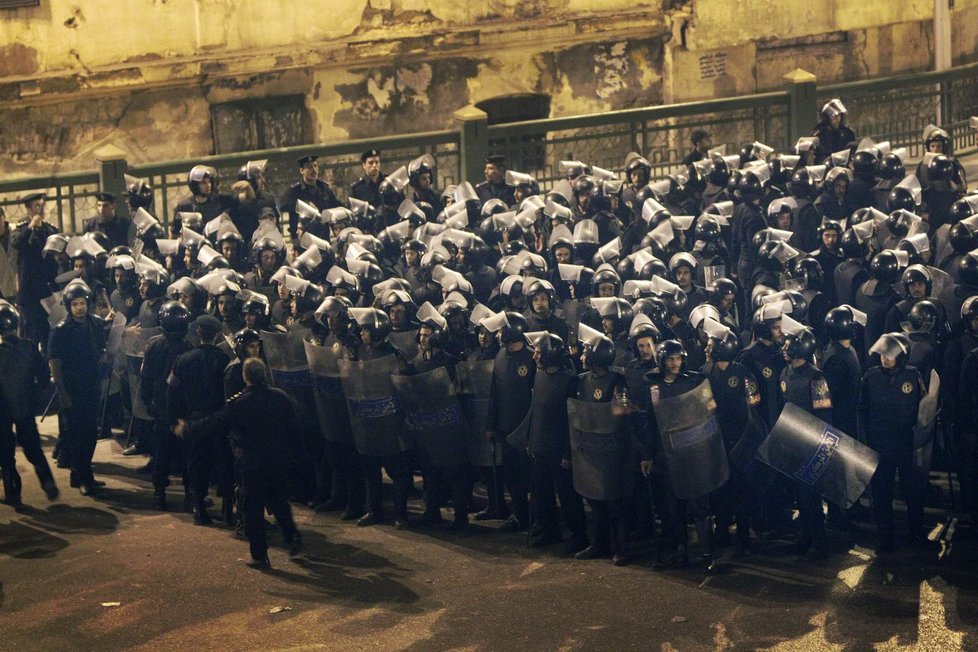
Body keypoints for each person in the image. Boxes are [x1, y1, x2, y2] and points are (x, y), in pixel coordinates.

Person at [219, 358, 303, 569]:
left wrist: (188, 428)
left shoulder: (239, 403)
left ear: (245, 377)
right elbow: (294, 428)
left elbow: (218, 423)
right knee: (279, 501)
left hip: (252, 463)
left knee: (253, 508)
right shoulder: (280, 397)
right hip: (277, 459)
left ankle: (259, 555)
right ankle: (291, 535)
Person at [860, 333, 926, 554]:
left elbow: (925, 407)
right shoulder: (871, 377)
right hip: (880, 445)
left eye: (889, 354)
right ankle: (886, 538)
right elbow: (863, 410)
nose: (884, 358)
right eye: (882, 354)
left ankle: (916, 533)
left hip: (906, 444)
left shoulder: (913, 375)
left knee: (913, 491)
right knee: (881, 493)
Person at [167, 314, 233, 524]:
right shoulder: (225, 360)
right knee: (223, 464)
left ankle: (198, 508)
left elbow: (172, 391)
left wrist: (174, 419)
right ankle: (228, 510)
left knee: (196, 464)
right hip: (218, 420)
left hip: (192, 420)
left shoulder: (183, 360)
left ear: (198, 333)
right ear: (217, 335)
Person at [48, 279, 110, 495]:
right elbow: (55, 363)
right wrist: (62, 392)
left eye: (82, 303)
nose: (79, 307)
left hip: (91, 384)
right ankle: (82, 476)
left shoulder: (95, 323)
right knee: (76, 434)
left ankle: (82, 474)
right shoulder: (61, 330)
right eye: (75, 304)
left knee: (91, 432)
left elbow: (101, 348)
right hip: (72, 388)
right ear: (68, 305)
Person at [778, 316, 832, 558]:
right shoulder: (785, 372)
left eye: (788, 344)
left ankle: (819, 540)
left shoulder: (816, 376)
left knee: (812, 495)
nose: (785, 348)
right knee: (800, 494)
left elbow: (824, 413)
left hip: (811, 442)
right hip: (793, 441)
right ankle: (806, 535)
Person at [0, 301, 59, 510]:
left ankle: (12, 493)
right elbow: (44, 376)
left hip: (2, 411)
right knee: (33, 447)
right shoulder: (28, 347)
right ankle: (47, 481)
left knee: (5, 454)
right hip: (25, 407)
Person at [142, 300, 194, 512]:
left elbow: (146, 376)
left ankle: (159, 494)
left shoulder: (154, 344)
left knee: (161, 453)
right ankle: (190, 495)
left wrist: (147, 400)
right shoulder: (187, 347)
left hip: (161, 406)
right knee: (185, 454)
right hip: (181, 409)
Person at [12, 192, 59, 351]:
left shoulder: (50, 230)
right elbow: (17, 243)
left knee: (49, 338)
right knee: (29, 339)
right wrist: (31, 227)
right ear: (29, 210)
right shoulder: (21, 230)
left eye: (42, 205)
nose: (41, 209)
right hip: (29, 296)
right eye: (37, 206)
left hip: (47, 293)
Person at [280, 155, 342, 240]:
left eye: (315, 166)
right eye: (309, 167)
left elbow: (335, 205)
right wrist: (305, 206)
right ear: (302, 171)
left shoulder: (323, 188)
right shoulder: (295, 190)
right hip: (303, 238)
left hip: (323, 237)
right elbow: (283, 205)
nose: (314, 170)